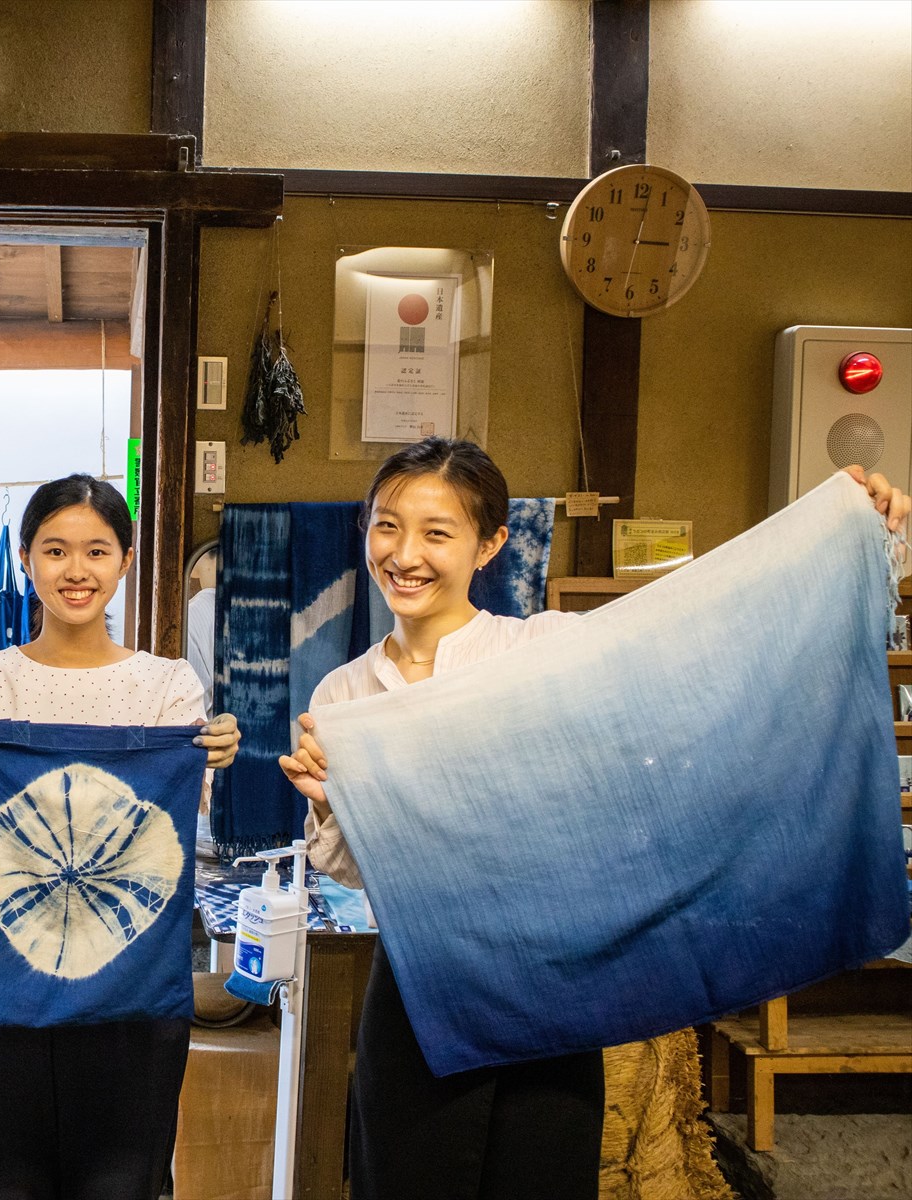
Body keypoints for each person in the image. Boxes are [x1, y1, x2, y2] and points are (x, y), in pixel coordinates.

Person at [277, 438, 908, 1200]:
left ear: (490, 544)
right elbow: (349, 870)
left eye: (437, 532)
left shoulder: (543, 651)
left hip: (554, 985)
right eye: (386, 526)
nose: (405, 554)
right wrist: (329, 806)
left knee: (542, 1179)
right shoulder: (345, 696)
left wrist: (856, 540)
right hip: (422, 988)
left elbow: (693, 655)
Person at [0, 473, 240, 1200]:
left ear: (125, 560)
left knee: (121, 1187)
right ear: (26, 558)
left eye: (97, 551)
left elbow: (178, 821)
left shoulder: (167, 688)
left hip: (129, 996)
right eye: (55, 550)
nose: (76, 570)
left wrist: (214, 755)